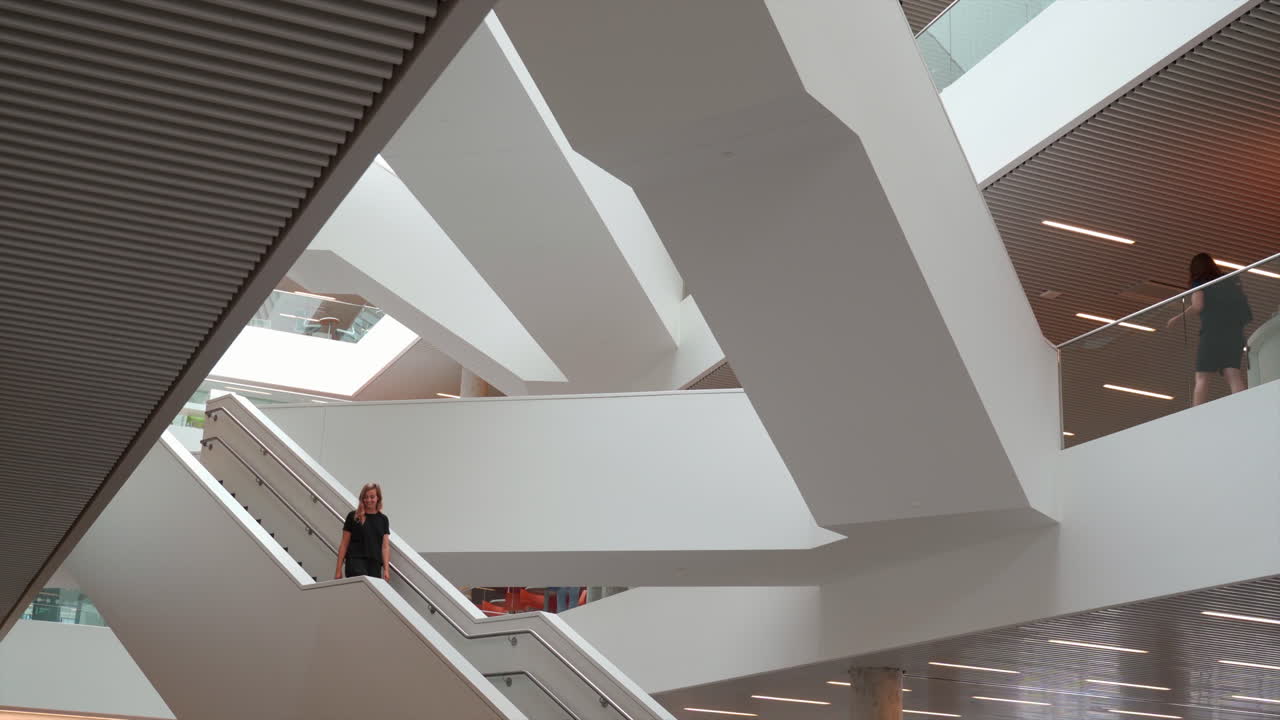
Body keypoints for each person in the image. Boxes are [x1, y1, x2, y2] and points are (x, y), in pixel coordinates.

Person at [1167, 253, 1252, 406]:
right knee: (1233, 373)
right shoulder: (1228, 281)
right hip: (1234, 333)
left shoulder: (1200, 282)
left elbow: (1198, 306)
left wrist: (1178, 318)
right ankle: (1243, 406)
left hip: (1212, 333)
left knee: (1202, 377)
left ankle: (1197, 414)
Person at [334, 483, 391, 581]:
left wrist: (386, 569)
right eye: (366, 497)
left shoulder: (383, 519)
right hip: (355, 561)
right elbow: (344, 544)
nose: (368, 500)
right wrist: (338, 569)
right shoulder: (353, 517)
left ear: (378, 498)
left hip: (374, 564)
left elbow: (385, 547)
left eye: (372, 497)